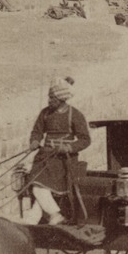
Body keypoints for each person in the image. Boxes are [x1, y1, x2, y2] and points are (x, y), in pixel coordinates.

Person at [23, 79, 90, 225]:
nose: (49, 100)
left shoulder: (75, 115)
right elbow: (37, 131)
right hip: (44, 157)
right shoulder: (45, 113)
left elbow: (85, 140)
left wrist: (68, 147)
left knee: (39, 186)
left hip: (63, 161)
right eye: (49, 97)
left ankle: (46, 216)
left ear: (61, 99)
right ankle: (50, 216)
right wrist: (34, 141)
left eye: (52, 98)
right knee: (36, 184)